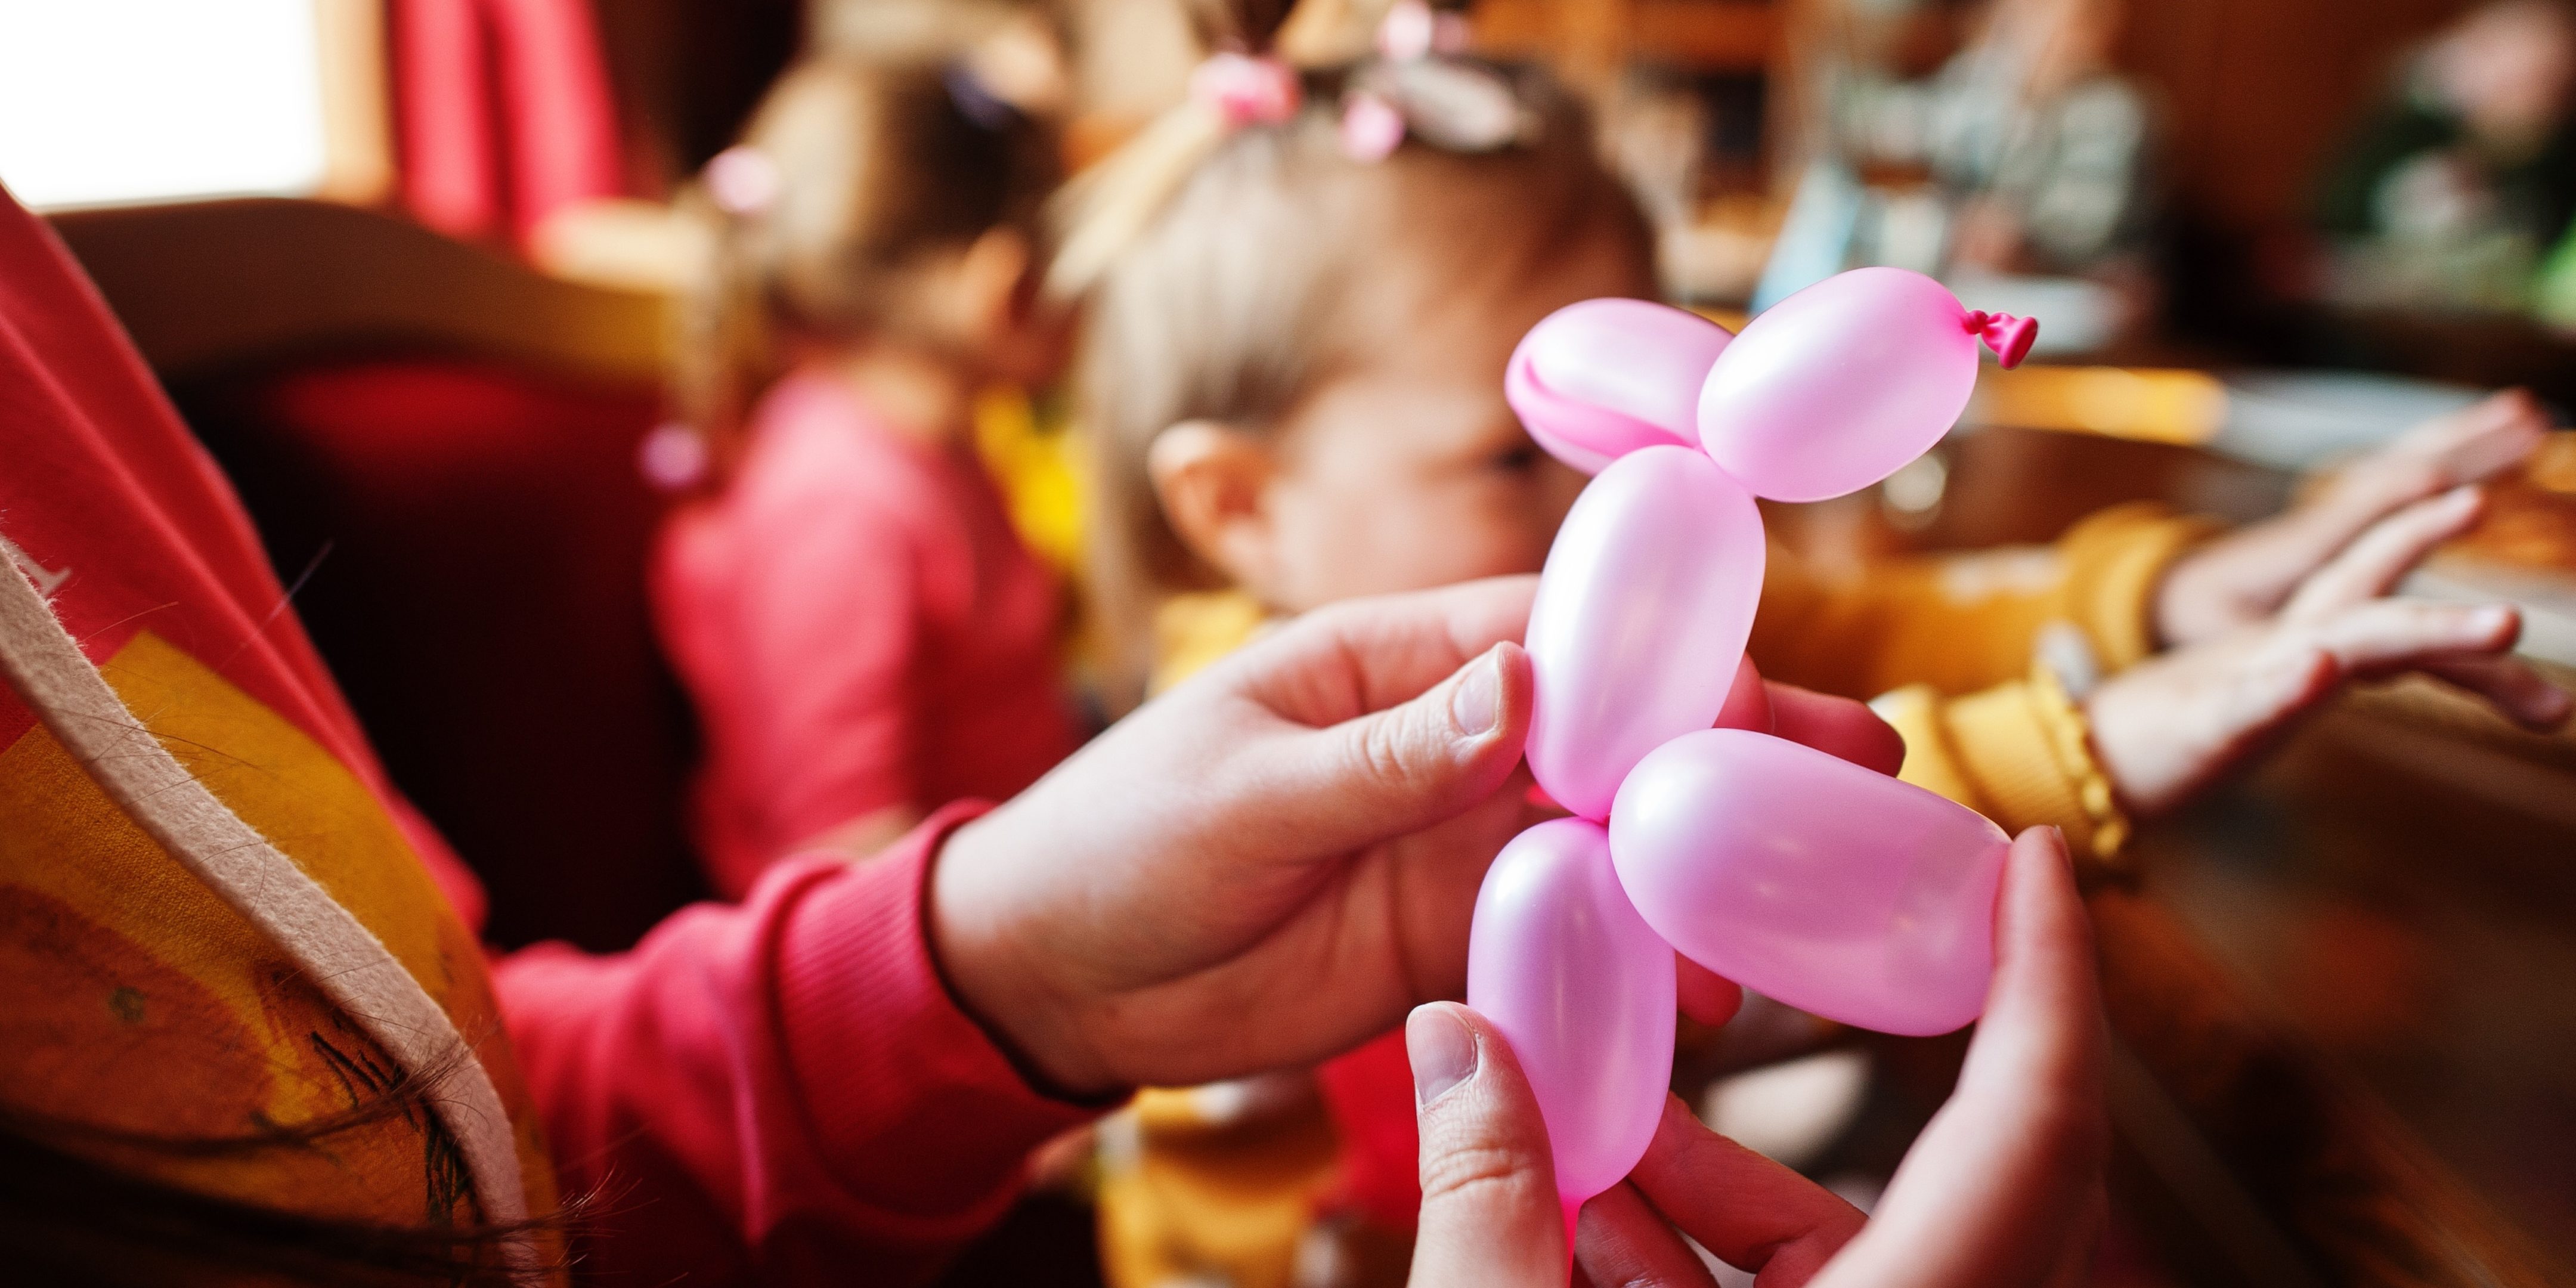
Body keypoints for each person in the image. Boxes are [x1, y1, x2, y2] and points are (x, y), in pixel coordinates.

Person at [0, 174, 2098, 1285]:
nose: (1595, 524)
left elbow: (438, 1119)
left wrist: (985, 964)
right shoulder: (847, 513)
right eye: (1515, 457)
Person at [1053, 7, 2569, 1281]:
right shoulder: (1282, 769)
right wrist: (2090, 745)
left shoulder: (1620, 590)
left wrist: (2171, 601)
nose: (1614, 493)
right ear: (1237, 504)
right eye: (1515, 455)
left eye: (1630, 419)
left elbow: (1887, 624)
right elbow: (1732, 823)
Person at [651, 29, 1083, 899]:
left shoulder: (932, 447)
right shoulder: (840, 507)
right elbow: (846, 858)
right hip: (932, 964)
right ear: (1004, 288)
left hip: (1023, 878)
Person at [2315, 0, 2576, 312]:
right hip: (2379, 313)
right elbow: (2333, 213)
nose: (2524, 94)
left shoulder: (2555, 163)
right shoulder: (2411, 132)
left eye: (2544, 81)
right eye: (2509, 73)